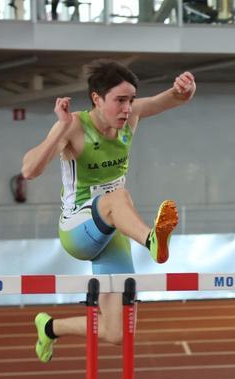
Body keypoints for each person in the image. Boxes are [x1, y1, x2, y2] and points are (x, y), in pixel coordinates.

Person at [21, 59, 196, 362]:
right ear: (97, 99)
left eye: (130, 100)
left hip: (112, 230)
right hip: (77, 230)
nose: (127, 108)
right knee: (117, 196)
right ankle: (153, 241)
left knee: (117, 332)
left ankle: (49, 327)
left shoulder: (130, 118)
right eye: (120, 101)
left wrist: (185, 89)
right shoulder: (74, 126)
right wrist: (59, 128)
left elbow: (169, 100)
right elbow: (29, 171)